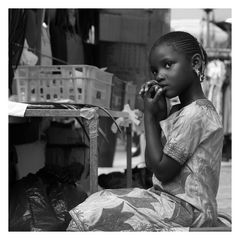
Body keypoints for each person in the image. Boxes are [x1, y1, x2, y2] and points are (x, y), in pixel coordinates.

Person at [67, 31, 224, 231]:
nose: (159, 75)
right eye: (154, 71)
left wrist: (150, 117)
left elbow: (162, 171)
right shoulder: (183, 111)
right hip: (172, 203)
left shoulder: (195, 114)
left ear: (195, 63)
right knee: (99, 199)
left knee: (93, 212)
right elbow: (154, 164)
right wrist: (159, 115)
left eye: (168, 65)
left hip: (188, 210)